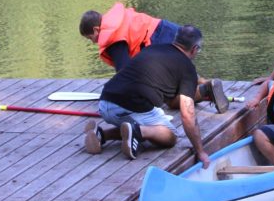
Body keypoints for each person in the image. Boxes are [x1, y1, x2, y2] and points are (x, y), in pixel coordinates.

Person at [84, 25, 214, 166]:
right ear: (194, 49)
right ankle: (138, 131)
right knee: (170, 135)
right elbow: (188, 115)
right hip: (130, 105)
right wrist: (200, 151)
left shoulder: (152, 48)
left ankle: (101, 134)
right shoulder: (187, 68)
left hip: (105, 102)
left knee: (138, 122)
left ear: (175, 40)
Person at [79, 3, 229, 113]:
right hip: (169, 30)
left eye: (90, 38)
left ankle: (205, 90)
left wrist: (113, 97)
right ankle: (208, 84)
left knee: (172, 101)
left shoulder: (112, 38)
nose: (93, 42)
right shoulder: (117, 20)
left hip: (159, 42)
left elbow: (124, 73)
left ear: (96, 29)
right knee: (180, 80)